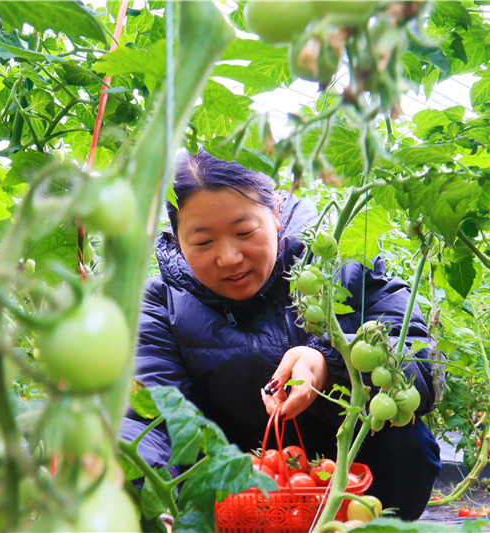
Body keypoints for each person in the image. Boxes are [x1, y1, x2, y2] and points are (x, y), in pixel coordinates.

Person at [120, 149, 441, 520]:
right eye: (203, 242)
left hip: (342, 477)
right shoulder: (160, 304)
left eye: (244, 232)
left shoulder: (341, 266)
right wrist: (144, 494)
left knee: (406, 444)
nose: (228, 257)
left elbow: (417, 361)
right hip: (237, 488)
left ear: (274, 212)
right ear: (177, 237)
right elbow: (151, 418)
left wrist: (331, 362)